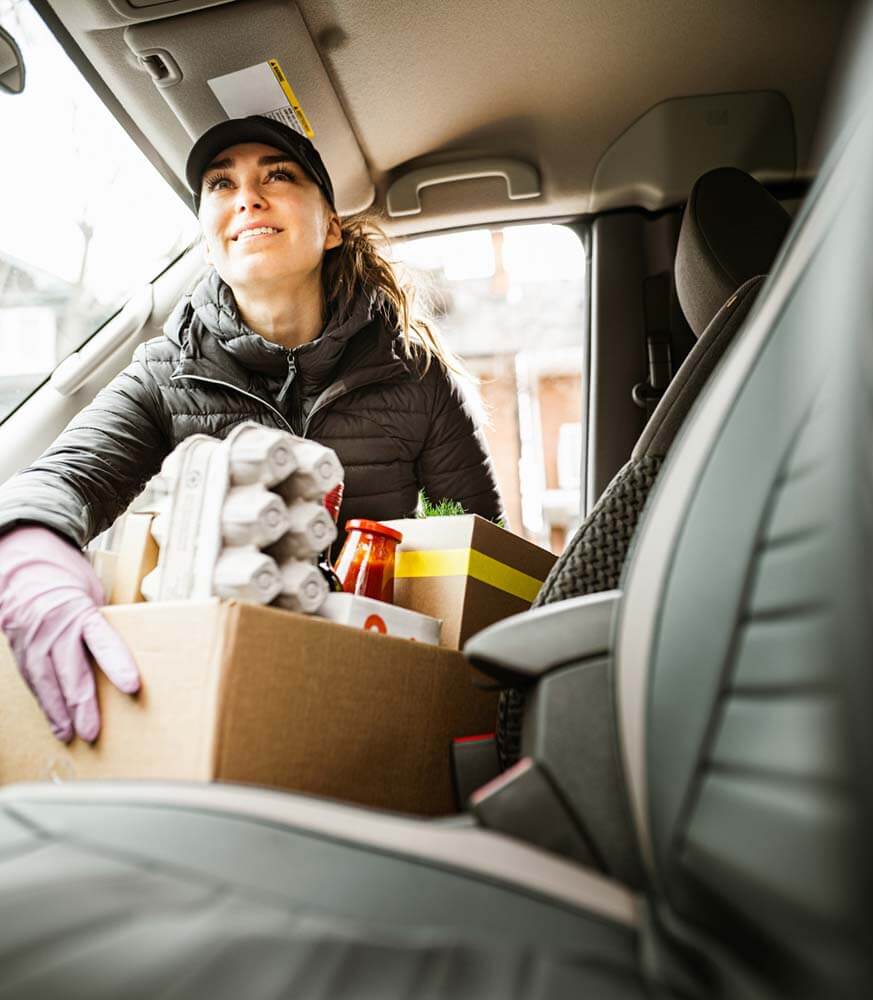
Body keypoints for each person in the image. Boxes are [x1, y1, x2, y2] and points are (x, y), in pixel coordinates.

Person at [0, 115, 503, 744]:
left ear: (331, 228)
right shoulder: (166, 371)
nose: (247, 198)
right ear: (208, 240)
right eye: (221, 184)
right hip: (224, 695)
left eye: (279, 175)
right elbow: (65, 477)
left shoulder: (415, 375)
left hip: (377, 691)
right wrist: (29, 549)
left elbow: (481, 551)